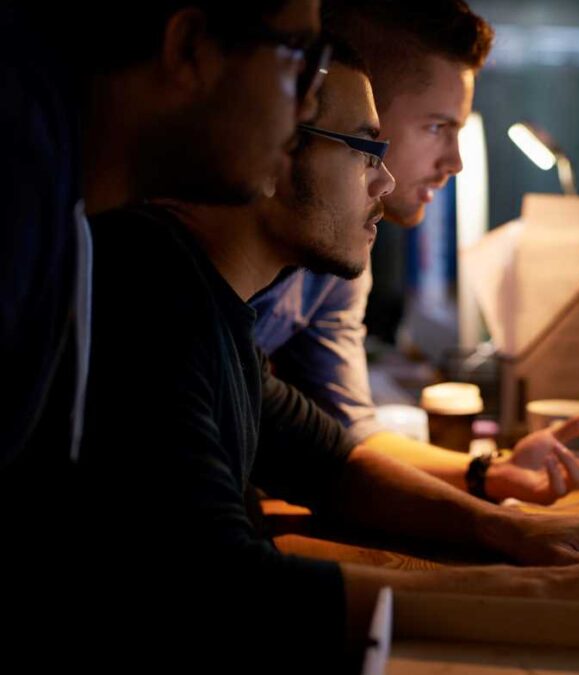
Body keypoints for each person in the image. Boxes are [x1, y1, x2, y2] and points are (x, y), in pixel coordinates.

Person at [80, 45, 579, 668]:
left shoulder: (207, 305)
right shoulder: (147, 294)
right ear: (282, 151)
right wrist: (555, 591)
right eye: (368, 150)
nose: (386, 178)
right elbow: (232, 593)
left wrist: (516, 535)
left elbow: (335, 465)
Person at [0, 0, 329, 663]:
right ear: (190, 47)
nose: (306, 112)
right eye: (301, 58)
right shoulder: (14, 177)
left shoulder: (63, 197)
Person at [249, 0, 579, 505]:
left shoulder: (339, 260)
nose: (455, 162)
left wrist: (492, 472)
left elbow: (349, 435)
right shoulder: (186, 266)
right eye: (438, 127)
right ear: (352, 102)